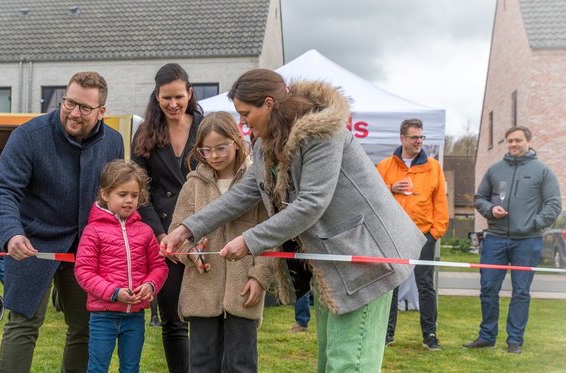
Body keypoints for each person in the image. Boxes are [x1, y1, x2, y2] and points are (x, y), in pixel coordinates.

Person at [162, 69, 425, 372]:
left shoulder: (322, 134)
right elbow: (242, 195)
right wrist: (186, 229)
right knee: (330, 361)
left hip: (366, 260)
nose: (243, 123)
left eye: (246, 113)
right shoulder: (264, 145)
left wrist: (249, 240)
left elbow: (311, 204)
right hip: (330, 263)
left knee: (349, 363)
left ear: (270, 104)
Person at [0, 71, 123, 373]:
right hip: (32, 242)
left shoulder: (114, 142)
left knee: (85, 326)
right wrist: (11, 234)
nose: (74, 113)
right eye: (69, 103)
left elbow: (115, 196)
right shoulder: (28, 135)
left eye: (85, 108)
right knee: (23, 324)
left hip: (86, 248)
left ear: (102, 111)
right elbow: (2, 189)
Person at [170, 112, 287, 373]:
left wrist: (259, 277)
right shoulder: (193, 186)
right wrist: (189, 253)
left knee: (241, 363)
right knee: (201, 364)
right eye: (206, 150)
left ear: (236, 141)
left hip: (243, 289)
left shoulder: (257, 183)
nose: (214, 156)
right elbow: (177, 232)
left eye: (221, 148)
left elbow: (272, 235)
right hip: (201, 291)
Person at [131, 63, 203, 373]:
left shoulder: (206, 127)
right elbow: (139, 188)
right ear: (156, 97)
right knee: (172, 320)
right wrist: (160, 235)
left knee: (206, 315)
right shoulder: (145, 132)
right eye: (165, 98)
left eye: (178, 96)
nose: (172, 104)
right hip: (162, 235)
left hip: (203, 230)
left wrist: (199, 229)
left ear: (189, 93)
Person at [464, 126, 561, 354]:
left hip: (528, 241)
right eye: (509, 141)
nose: (513, 144)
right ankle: (487, 336)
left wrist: (534, 223)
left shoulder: (542, 171)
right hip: (495, 238)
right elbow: (480, 198)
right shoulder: (495, 170)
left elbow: (554, 204)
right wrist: (490, 209)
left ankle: (514, 340)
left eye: (517, 140)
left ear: (528, 141)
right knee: (488, 288)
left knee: (521, 291)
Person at [74, 160, 168, 373]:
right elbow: (83, 271)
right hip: (103, 316)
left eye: (134, 196)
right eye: (122, 194)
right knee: (97, 368)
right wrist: (114, 293)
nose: (129, 201)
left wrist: (151, 285)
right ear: (105, 194)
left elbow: (159, 267)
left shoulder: (145, 232)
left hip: (135, 317)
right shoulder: (93, 231)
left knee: (131, 368)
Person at [376, 118, 448, 350]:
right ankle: (386, 334)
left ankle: (430, 335)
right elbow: (373, 197)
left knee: (425, 285)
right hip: (393, 233)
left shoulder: (434, 167)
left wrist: (436, 232)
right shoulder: (385, 166)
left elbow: (441, 202)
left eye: (421, 137)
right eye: (414, 137)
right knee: (390, 284)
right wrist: (390, 188)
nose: (418, 141)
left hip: (423, 234)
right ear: (402, 139)